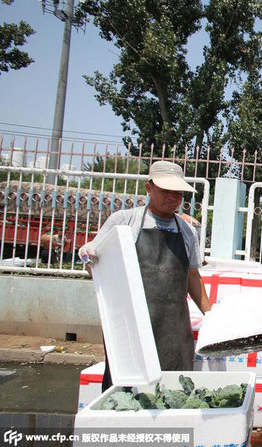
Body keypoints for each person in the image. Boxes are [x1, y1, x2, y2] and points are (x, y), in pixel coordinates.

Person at [79, 160, 212, 391]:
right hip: (132, 326)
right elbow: (94, 264)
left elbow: (192, 277)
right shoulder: (124, 221)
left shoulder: (188, 231)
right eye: (165, 191)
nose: (172, 197)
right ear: (149, 188)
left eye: (178, 193)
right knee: (127, 392)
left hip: (174, 326)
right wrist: (87, 256)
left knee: (172, 391)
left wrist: (212, 317)